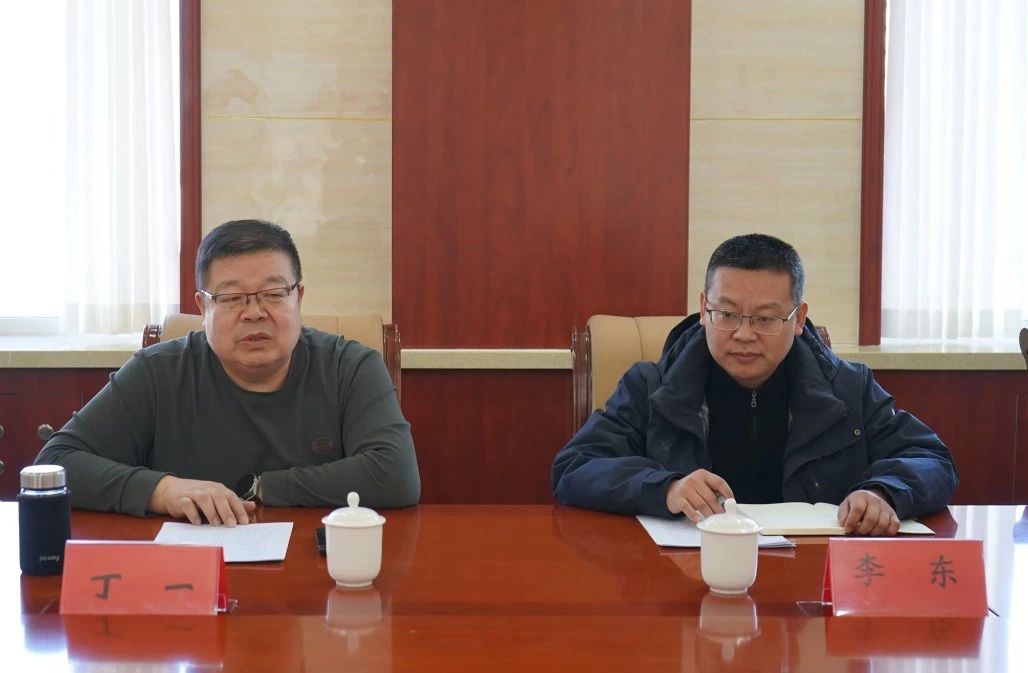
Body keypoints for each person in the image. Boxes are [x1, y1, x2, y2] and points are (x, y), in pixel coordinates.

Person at [552, 233, 957, 536]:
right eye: (726, 314)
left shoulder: (847, 388)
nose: (744, 335)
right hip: (687, 575)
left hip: (810, 580)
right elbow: (575, 467)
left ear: (798, 319)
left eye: (765, 319)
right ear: (703, 310)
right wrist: (666, 488)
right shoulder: (651, 386)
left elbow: (931, 459)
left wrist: (884, 492)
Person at [37, 219, 420, 525]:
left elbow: (395, 475)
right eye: (233, 298)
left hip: (319, 574)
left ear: (298, 297)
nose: (254, 312)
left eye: (273, 294)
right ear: (203, 307)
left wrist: (260, 487)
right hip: (188, 576)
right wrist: (163, 491)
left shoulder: (350, 367)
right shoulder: (157, 373)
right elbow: (56, 463)